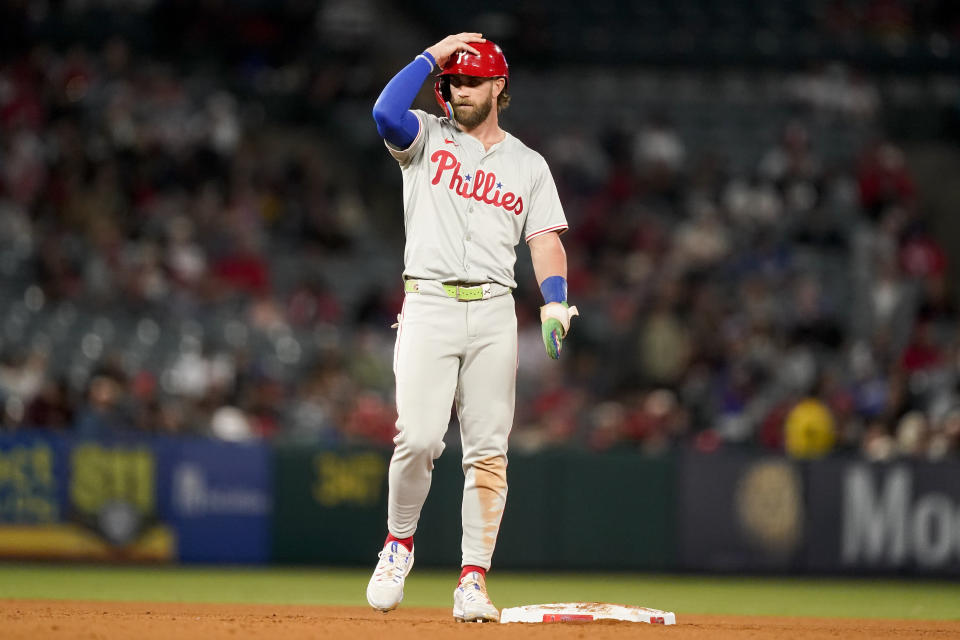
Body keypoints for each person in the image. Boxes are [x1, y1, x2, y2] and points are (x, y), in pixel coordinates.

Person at [366, 33, 577, 623]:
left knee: (488, 453)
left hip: (492, 310)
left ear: (498, 87)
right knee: (419, 439)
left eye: (472, 81)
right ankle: (398, 544)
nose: (460, 90)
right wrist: (435, 53)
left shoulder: (528, 165)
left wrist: (556, 301)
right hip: (429, 302)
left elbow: (545, 240)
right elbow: (384, 111)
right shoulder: (425, 137)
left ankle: (473, 580)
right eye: (454, 82)